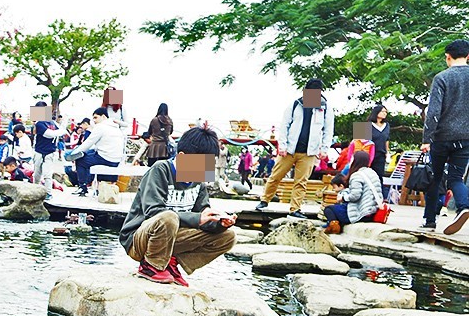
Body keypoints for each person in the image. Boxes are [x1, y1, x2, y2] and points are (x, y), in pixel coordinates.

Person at [119, 126, 237, 286]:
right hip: (139, 239)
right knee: (168, 217)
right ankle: (150, 265)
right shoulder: (160, 170)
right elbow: (153, 213)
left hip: (171, 239)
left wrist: (219, 224)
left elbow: (202, 217)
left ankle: (172, 261)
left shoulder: (198, 181)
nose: (205, 170)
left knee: (227, 237)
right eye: (202, 164)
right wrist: (198, 218)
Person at [255, 78, 334, 218]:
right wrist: (283, 145)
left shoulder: (325, 108)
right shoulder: (295, 105)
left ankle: (295, 209)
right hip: (289, 150)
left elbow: (328, 130)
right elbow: (284, 125)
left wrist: (324, 149)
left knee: (301, 182)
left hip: (309, 152)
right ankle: (264, 200)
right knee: (276, 176)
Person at [422, 39, 469, 234]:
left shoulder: (442, 78)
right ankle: (464, 206)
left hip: (441, 138)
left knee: (436, 177)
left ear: (447, 57)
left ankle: (430, 221)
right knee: (456, 178)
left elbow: (433, 112)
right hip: (466, 138)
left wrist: (426, 139)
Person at [322, 150, 383, 234]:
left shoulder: (357, 175)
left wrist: (343, 198)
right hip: (373, 212)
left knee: (329, 209)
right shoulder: (372, 173)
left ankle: (334, 226)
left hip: (362, 213)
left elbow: (355, 196)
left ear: (355, 161)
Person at [70, 107, 125, 197]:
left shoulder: (101, 127)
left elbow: (88, 143)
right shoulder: (116, 128)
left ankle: (82, 187)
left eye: (95, 117)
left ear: (103, 116)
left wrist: (74, 154)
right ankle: (95, 187)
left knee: (80, 160)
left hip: (106, 158)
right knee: (90, 154)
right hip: (116, 160)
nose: (94, 120)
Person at [31, 101, 68, 185]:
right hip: (39, 152)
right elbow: (50, 134)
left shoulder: (52, 122)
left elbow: (59, 131)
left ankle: (48, 193)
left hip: (49, 152)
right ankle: (36, 189)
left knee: (47, 175)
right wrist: (62, 131)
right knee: (37, 175)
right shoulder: (39, 123)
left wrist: (63, 126)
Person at [367, 104, 390, 187]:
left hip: (380, 154)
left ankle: (378, 196)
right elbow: (358, 142)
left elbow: (387, 139)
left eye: (386, 112)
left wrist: (387, 153)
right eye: (383, 111)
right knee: (366, 175)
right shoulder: (366, 124)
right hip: (368, 155)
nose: (385, 113)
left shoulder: (387, 125)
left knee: (378, 176)